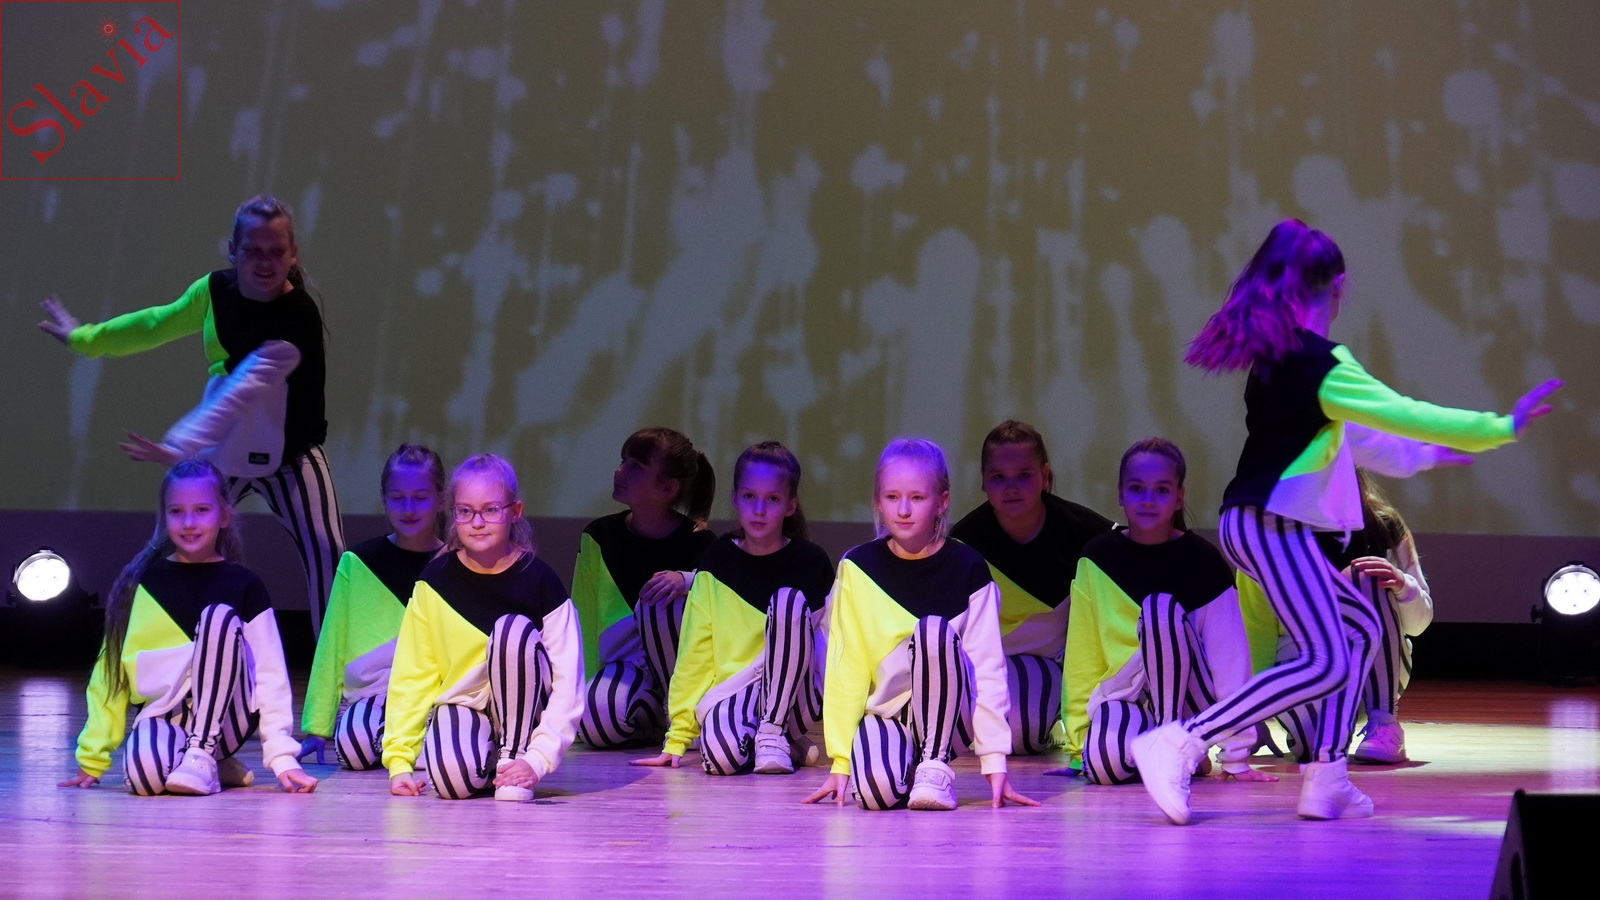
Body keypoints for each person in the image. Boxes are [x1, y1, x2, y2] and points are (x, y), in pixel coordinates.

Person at [1130, 218, 1561, 825]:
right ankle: (1180, 740)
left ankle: (1327, 779)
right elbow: (1403, 412)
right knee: (1327, 658)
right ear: (1337, 286)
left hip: (1267, 525)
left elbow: (1358, 438)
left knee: (1357, 629)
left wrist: (1424, 456)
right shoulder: (1319, 363)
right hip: (1270, 525)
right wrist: (1500, 427)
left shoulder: (1282, 362)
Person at [39, 195, 346, 636]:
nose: (264, 262)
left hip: (291, 456)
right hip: (226, 448)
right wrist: (86, 339)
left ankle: (335, 673)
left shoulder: (297, 316)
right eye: (253, 251)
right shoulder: (213, 292)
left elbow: (242, 390)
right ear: (233, 251)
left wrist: (180, 445)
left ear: (292, 254)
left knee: (328, 556)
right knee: (166, 549)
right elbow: (155, 324)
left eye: (276, 251)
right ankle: (146, 657)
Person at [803, 438, 1036, 811]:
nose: (904, 509)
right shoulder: (858, 568)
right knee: (876, 793)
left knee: (932, 631)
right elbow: (847, 665)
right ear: (878, 502)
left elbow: (987, 666)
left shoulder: (969, 568)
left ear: (942, 501)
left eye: (917, 497)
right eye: (892, 497)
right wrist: (841, 761)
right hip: (888, 714)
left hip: (951, 716)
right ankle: (905, 765)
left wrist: (994, 760)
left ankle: (934, 764)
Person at [59, 458, 316, 795]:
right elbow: (110, 676)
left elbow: (270, 673)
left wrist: (281, 756)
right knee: (144, 778)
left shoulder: (244, 584)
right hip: (166, 715)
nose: (189, 522)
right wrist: (92, 758)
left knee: (218, 617)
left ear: (224, 516)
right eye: (177, 512)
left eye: (202, 510)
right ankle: (213, 765)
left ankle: (205, 754)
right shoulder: (141, 583)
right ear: (164, 518)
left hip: (228, 718)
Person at [1063, 438, 1272, 787]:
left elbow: (1230, 660)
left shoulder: (1203, 561)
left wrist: (1236, 755)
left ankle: (1173, 745)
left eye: (1161, 490)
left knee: (1159, 609)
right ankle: (1160, 751)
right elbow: (1083, 653)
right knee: (1103, 769)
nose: (1148, 499)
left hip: (1191, 703)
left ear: (1178, 497)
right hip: (1126, 698)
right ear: (1120, 494)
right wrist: (1078, 744)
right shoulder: (1097, 556)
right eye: (1136, 488)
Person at [382, 455, 584, 801]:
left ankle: (514, 758)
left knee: (511, 631)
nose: (477, 522)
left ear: (514, 511)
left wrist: (539, 758)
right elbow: (412, 673)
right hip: (466, 707)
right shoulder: (434, 582)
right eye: (465, 511)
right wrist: (400, 761)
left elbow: (569, 679)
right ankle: (488, 761)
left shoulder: (540, 581)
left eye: (490, 510)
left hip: (527, 713)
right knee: (451, 783)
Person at [633, 441, 835, 775]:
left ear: (790, 505)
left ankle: (775, 733)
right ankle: (784, 745)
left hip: (795, 696)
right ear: (734, 498)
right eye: (749, 496)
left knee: (787, 601)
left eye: (772, 499)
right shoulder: (718, 560)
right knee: (721, 760)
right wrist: (677, 739)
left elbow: (830, 649)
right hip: (736, 691)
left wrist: (843, 741)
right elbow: (695, 650)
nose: (759, 509)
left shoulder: (811, 561)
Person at [1242, 470, 1434, 765]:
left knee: (1365, 574)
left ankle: (1384, 723)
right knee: (1317, 748)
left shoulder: (1382, 523)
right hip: (1307, 672)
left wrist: (1402, 585)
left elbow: (1418, 626)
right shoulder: (1267, 538)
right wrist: (1252, 718)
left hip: (1376, 673)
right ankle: (1320, 730)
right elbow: (1258, 638)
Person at [950, 420, 1114, 755]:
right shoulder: (964, 543)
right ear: (983, 481)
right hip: (994, 665)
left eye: (1024, 475)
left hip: (1059, 664)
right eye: (998, 477)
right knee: (1008, 735)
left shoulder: (1088, 534)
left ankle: (1059, 717)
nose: (1011, 487)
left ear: (1045, 476)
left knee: (1025, 733)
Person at [299, 444, 447, 769]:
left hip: (434, 697)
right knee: (354, 746)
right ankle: (404, 745)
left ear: (440, 499)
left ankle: (415, 744)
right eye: (397, 497)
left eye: (420, 497)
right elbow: (332, 645)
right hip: (372, 696)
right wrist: (317, 727)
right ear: (384, 498)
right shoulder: (357, 563)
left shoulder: (453, 563)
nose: (408, 508)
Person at [574, 427, 716, 749]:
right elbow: (584, 618)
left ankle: (682, 715)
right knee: (596, 723)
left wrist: (687, 580)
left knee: (660, 600)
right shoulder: (599, 536)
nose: (619, 471)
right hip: (627, 669)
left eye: (636, 466)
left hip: (684, 673)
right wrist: (579, 693)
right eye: (623, 460)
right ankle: (652, 720)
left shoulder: (701, 544)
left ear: (667, 487)